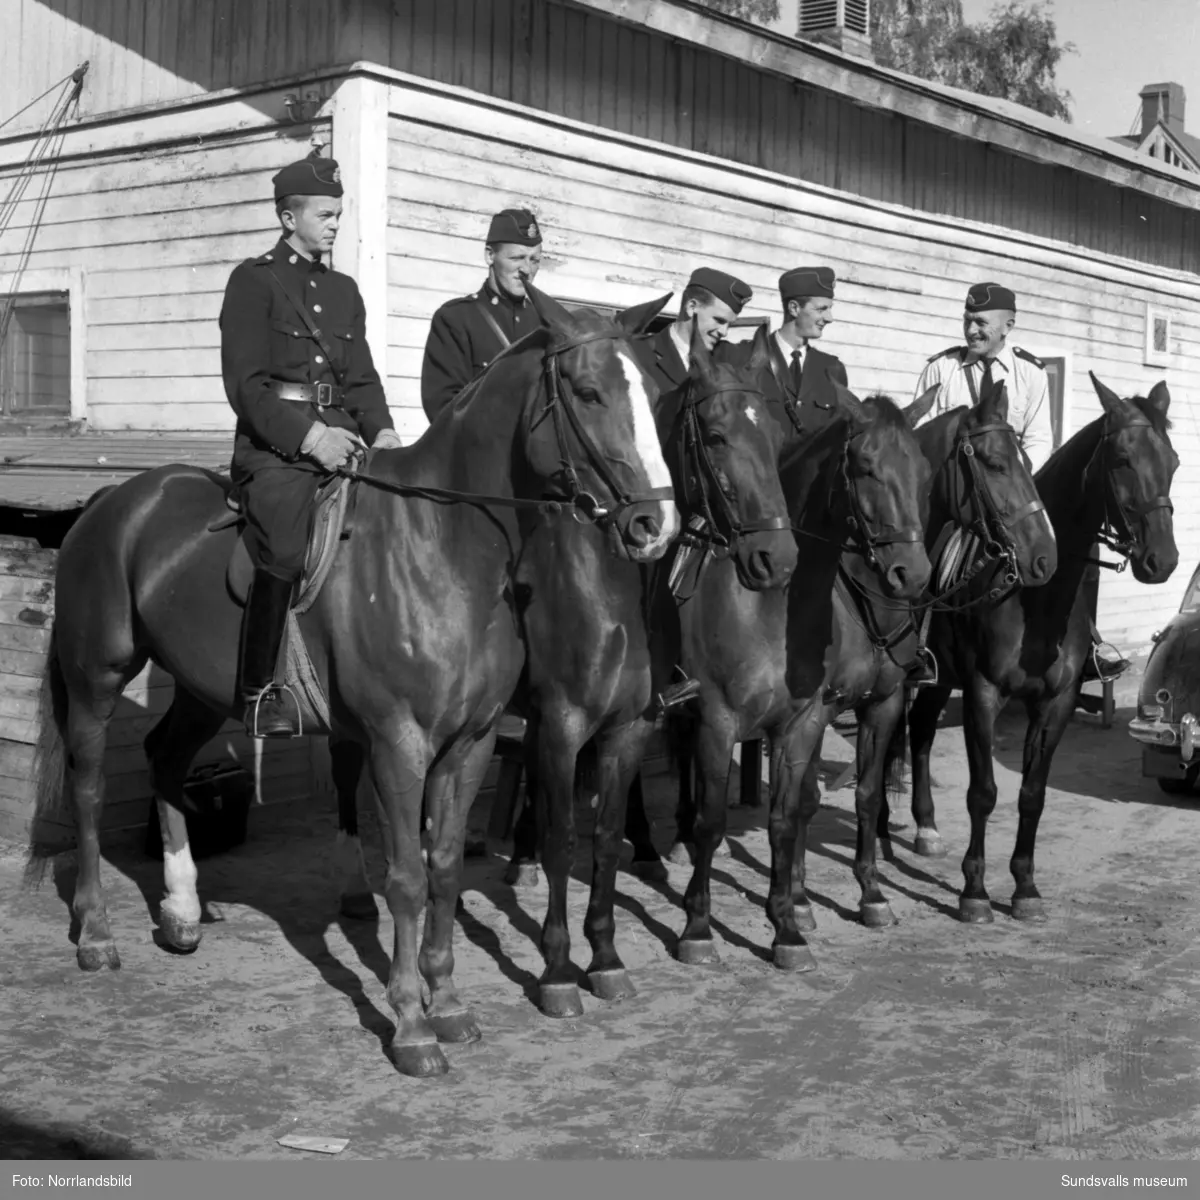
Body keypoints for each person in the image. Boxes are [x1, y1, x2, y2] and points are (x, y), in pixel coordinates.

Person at [219, 156, 402, 738]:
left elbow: (364, 380)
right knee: (287, 544)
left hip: (345, 439)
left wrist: (385, 433)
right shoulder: (254, 280)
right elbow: (245, 388)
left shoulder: (343, 290)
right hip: (275, 452)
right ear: (287, 215)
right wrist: (310, 436)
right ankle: (258, 692)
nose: (334, 225)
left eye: (339, 215)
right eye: (324, 215)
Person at [911, 281, 1125, 682]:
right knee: (926, 553)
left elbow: (1041, 437)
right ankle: (919, 650)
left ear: (1008, 325)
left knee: (1079, 548)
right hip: (960, 497)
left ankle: (1087, 644)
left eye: (981, 323)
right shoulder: (940, 369)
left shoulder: (1029, 371)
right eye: (967, 320)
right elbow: (923, 438)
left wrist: (1020, 487)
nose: (972, 330)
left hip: (1014, 494)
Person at [420, 208, 547, 421]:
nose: (527, 269)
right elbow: (444, 408)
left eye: (534, 260)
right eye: (517, 258)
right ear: (490, 255)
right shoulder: (456, 319)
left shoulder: (546, 324)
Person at [734, 266, 848, 439]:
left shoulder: (832, 370)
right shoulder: (744, 358)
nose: (829, 318)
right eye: (821, 309)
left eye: (829, 308)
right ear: (794, 308)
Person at [637, 266, 753, 396]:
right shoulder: (640, 355)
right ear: (691, 307)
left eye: (729, 324)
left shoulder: (729, 359)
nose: (724, 332)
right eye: (719, 320)